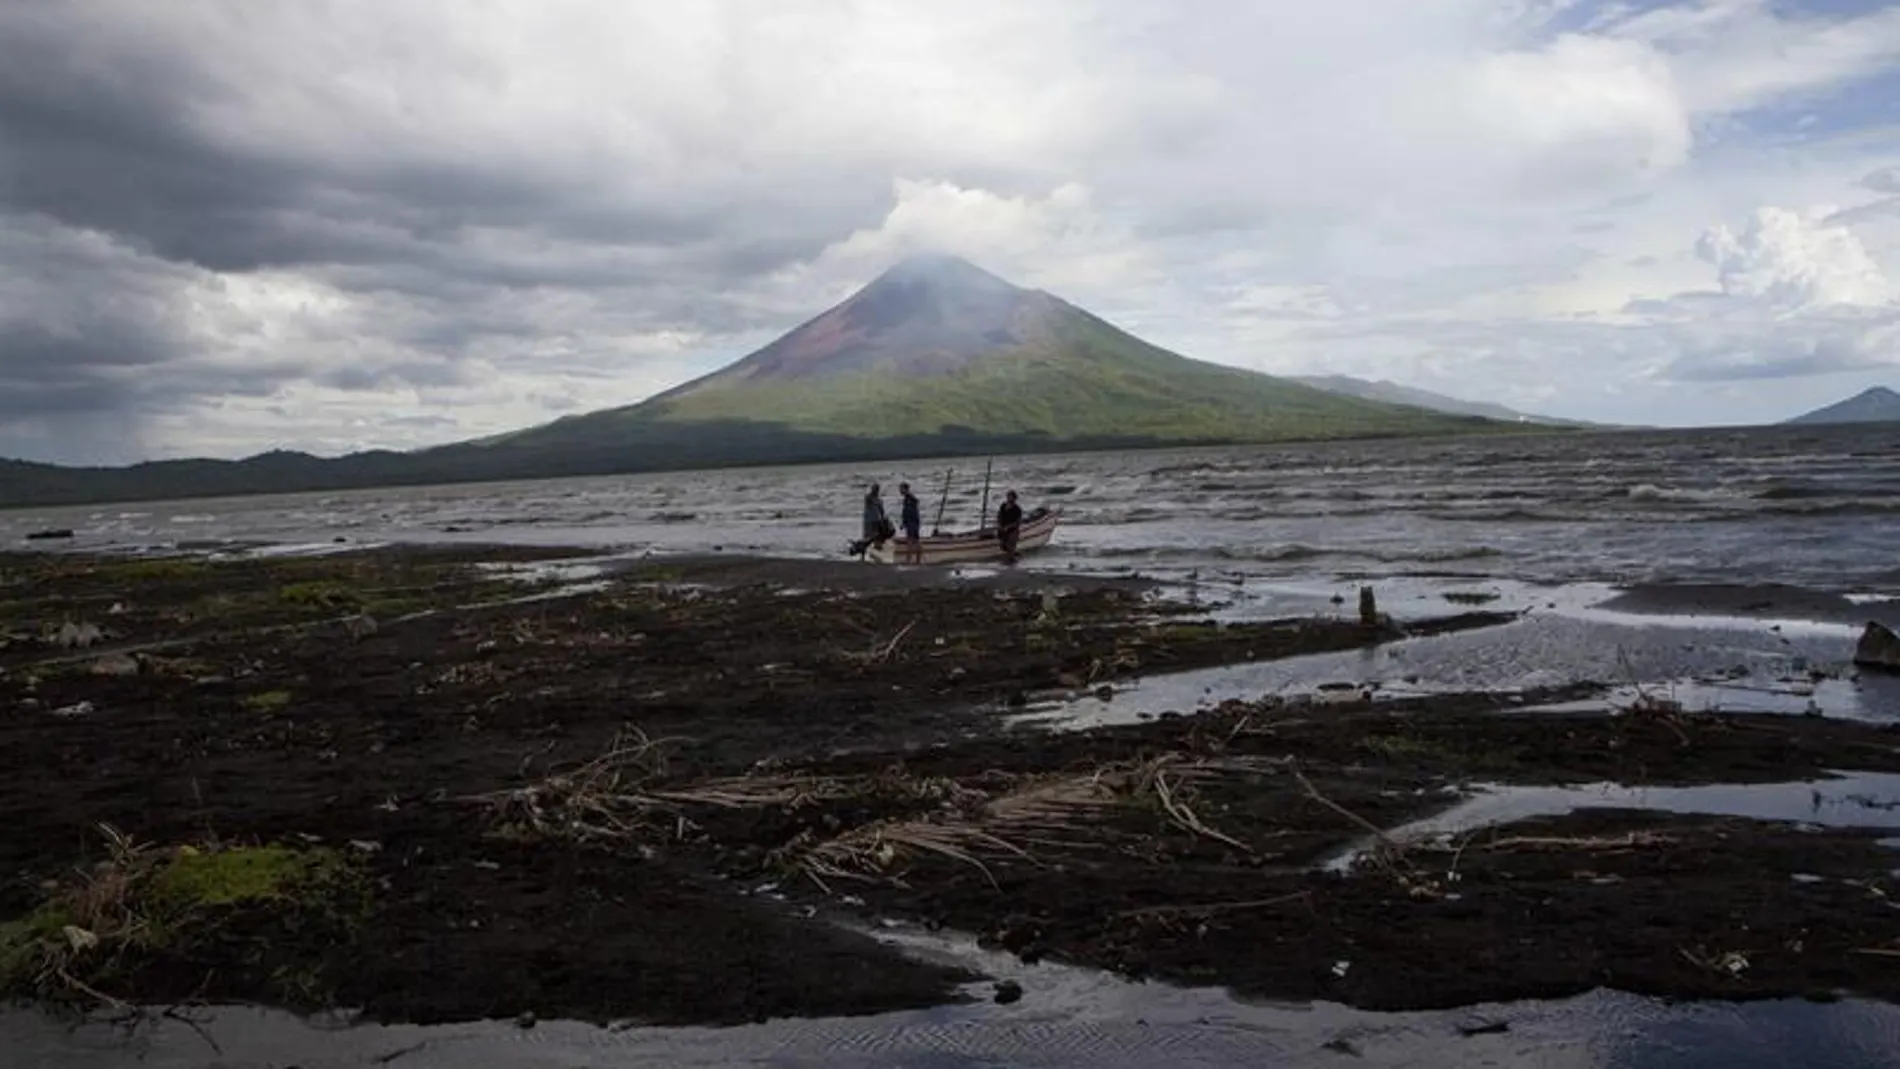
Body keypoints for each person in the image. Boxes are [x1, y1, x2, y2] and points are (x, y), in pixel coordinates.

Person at [898, 482, 923, 564]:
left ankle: (909, 560)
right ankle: (916, 560)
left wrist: (906, 522)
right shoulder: (908, 498)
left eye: (901, 489)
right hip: (913, 521)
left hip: (912, 522)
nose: (900, 491)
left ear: (905, 489)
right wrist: (903, 522)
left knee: (910, 541)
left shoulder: (909, 498)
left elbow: (909, 511)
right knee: (915, 541)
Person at [996, 489, 1023, 564]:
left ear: (1014, 498)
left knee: (1010, 545)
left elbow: (1017, 522)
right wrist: (999, 524)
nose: (1009, 498)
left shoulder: (1017, 509)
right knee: (1002, 546)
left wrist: (1009, 526)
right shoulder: (1003, 506)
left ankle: (1011, 560)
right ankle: (1015, 554)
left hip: (1013, 530)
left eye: (1011, 497)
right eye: (1008, 497)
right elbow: (999, 516)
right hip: (1003, 528)